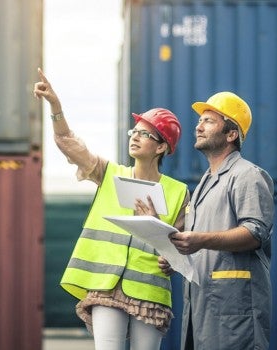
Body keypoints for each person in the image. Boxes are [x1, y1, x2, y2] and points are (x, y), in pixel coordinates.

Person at [33, 68, 190, 350]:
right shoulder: (109, 173)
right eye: (135, 131)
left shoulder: (179, 192)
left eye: (146, 134)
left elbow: (181, 252)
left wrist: (167, 253)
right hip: (106, 285)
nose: (135, 136)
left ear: (161, 148)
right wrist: (56, 107)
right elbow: (69, 144)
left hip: (149, 291)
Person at [161, 91, 275, 349]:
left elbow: (255, 233)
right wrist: (176, 259)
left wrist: (199, 241)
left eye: (209, 121)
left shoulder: (247, 175)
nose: (198, 127)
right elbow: (199, 245)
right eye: (200, 121)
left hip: (234, 310)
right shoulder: (203, 184)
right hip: (201, 310)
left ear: (231, 134)